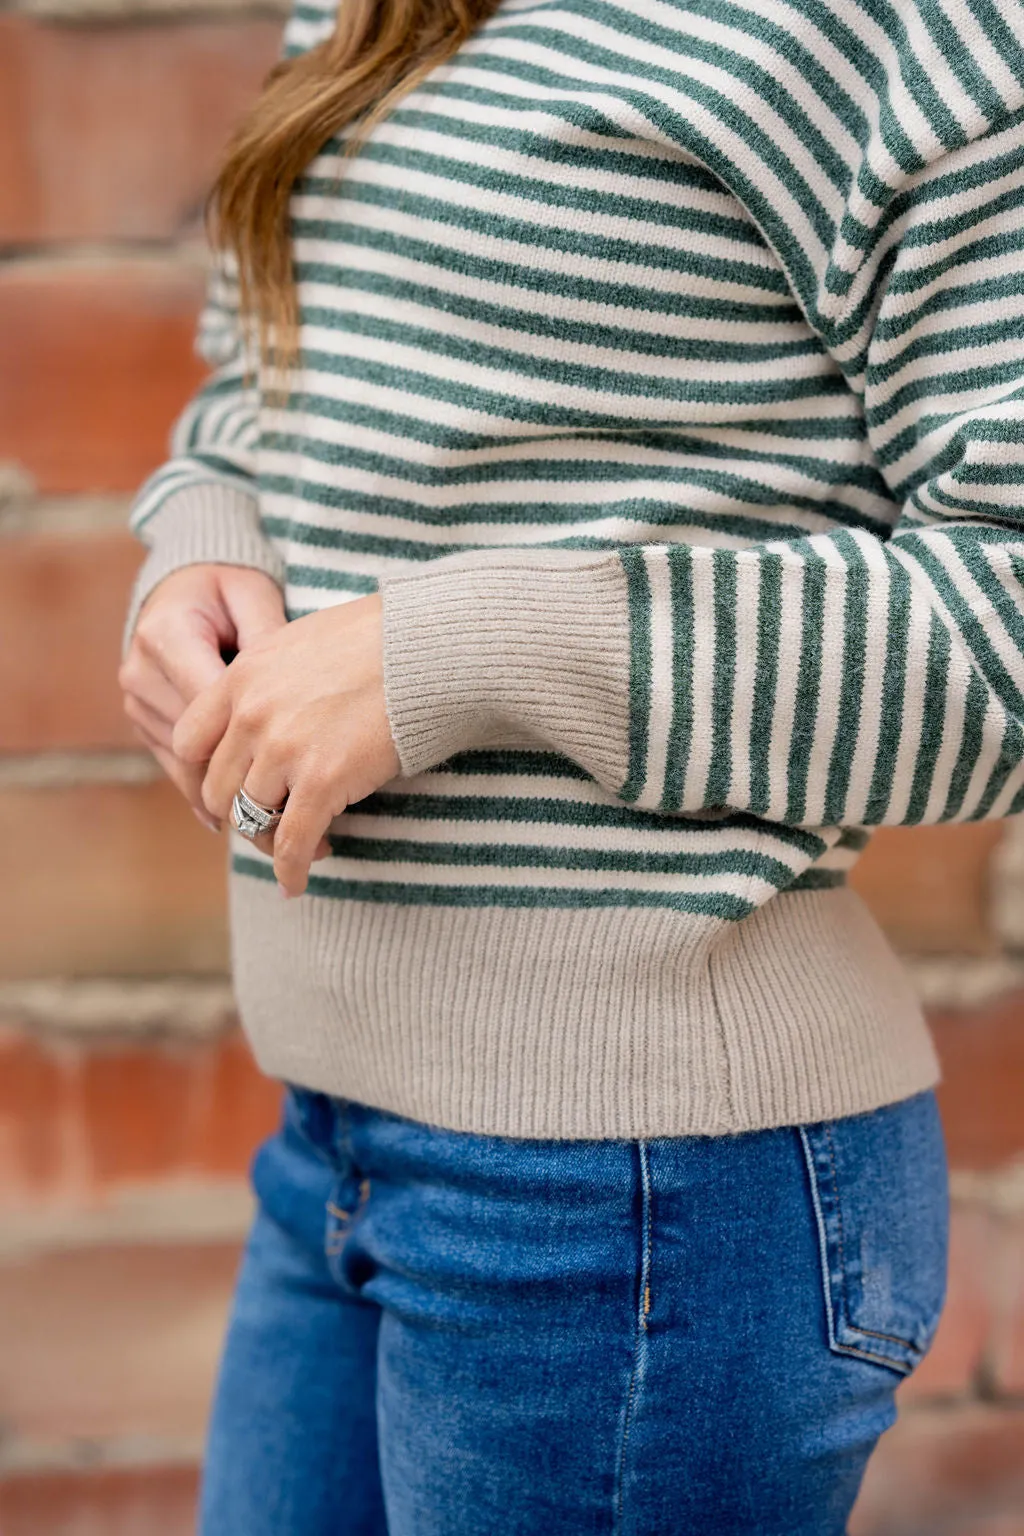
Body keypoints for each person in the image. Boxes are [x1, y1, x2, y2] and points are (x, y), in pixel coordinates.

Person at [118, 0, 1024, 1528]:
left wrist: (458, 652)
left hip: (637, 1200)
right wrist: (194, 542)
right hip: (334, 1135)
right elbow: (260, 379)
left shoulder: (900, 29)